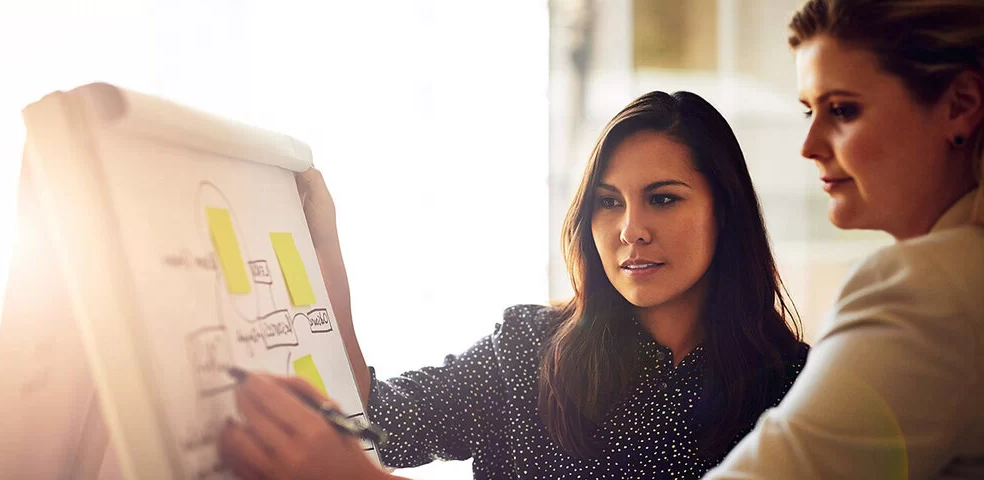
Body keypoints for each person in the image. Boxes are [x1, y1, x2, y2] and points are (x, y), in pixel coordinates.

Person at [219, 91, 811, 479]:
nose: (631, 229)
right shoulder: (530, 347)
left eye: (663, 199)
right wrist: (325, 251)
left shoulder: (798, 388)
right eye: (608, 203)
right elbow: (378, 423)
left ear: (724, 210)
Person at [702, 1, 984, 478]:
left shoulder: (926, 295)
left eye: (842, 110)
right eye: (808, 110)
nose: (809, 144)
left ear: (961, 105)